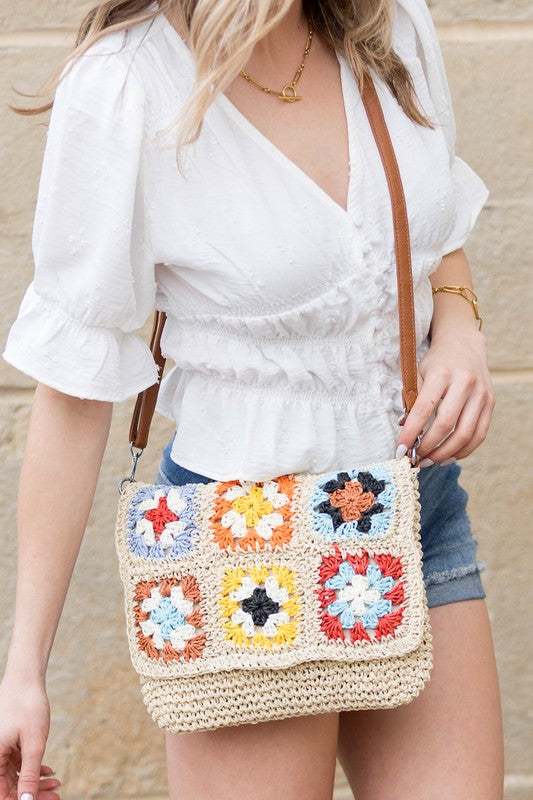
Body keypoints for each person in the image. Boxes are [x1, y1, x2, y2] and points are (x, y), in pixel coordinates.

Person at [0, 0, 504, 798]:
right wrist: (24, 670)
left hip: (414, 508)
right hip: (242, 544)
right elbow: (73, 392)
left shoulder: (386, 23)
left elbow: (435, 221)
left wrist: (460, 328)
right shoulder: (126, 85)